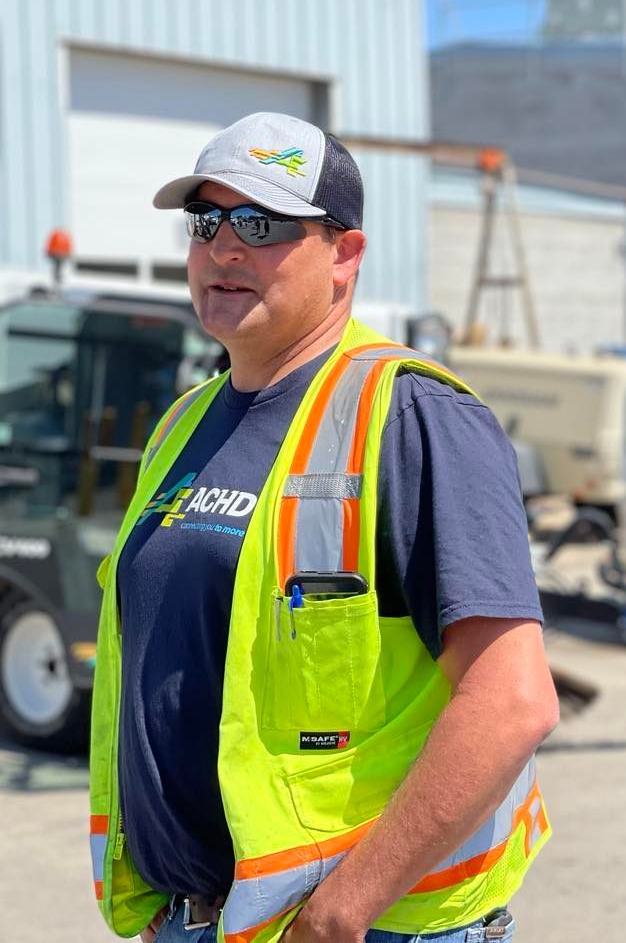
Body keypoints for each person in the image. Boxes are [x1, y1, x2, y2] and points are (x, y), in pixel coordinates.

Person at [87, 112, 557, 943]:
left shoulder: (412, 416)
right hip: (194, 921)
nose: (225, 248)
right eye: (207, 221)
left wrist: (339, 916)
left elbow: (512, 701)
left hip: (362, 929)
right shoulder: (181, 427)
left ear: (345, 254)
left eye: (261, 224)